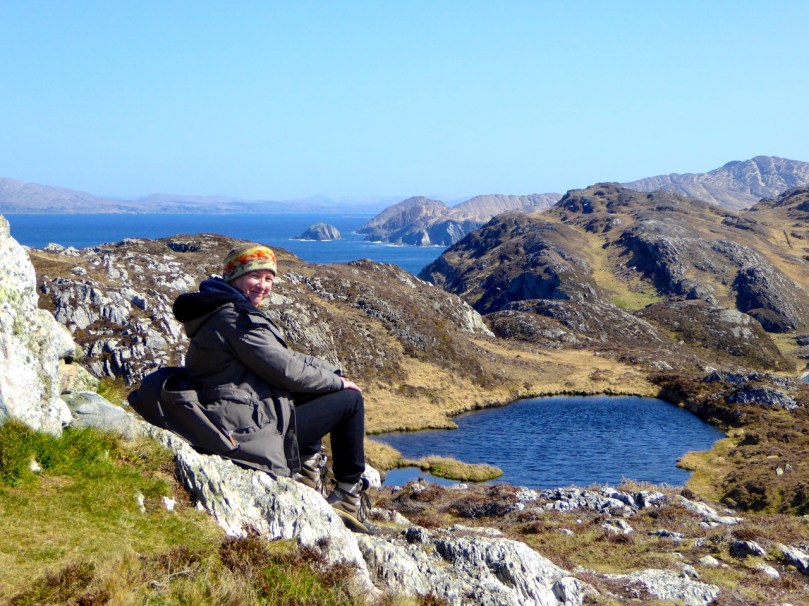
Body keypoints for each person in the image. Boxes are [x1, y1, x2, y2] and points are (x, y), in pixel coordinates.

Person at [170, 243, 370, 532]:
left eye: (269, 279)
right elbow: (286, 369)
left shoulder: (227, 310)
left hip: (236, 414)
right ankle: (347, 496)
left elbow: (284, 358)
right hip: (241, 429)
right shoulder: (234, 319)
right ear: (234, 277)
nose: (263, 286)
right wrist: (339, 382)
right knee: (349, 401)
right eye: (255, 276)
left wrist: (331, 372)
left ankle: (305, 475)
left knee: (313, 390)